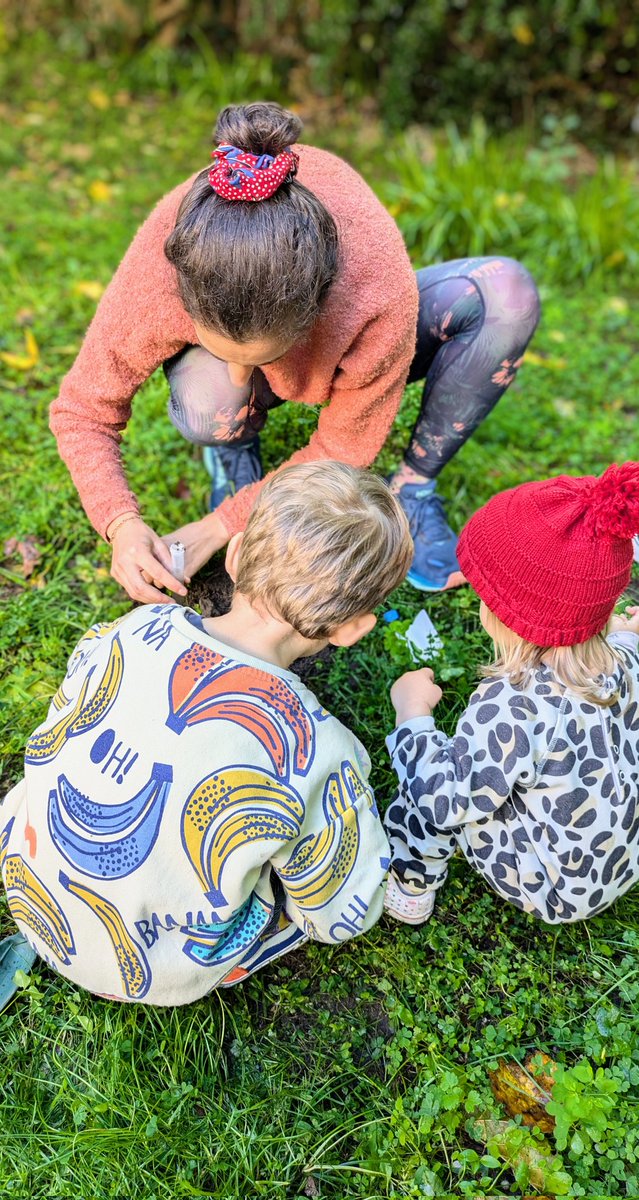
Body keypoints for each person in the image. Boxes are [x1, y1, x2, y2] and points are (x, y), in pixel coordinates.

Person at [50, 101, 540, 604]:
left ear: (315, 315)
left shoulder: (371, 290)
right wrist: (120, 523)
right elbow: (83, 409)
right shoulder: (166, 262)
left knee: (506, 294)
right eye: (223, 351)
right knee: (214, 397)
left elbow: (344, 453)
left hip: (349, 312)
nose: (240, 377)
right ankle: (231, 447)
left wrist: (219, 526)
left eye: (258, 357)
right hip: (250, 309)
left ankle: (412, 488)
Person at [0, 462, 412, 1005]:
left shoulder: (132, 629)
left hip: (27, 885)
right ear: (353, 628)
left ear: (235, 555)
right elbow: (338, 912)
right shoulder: (319, 751)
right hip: (153, 969)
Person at [382, 461, 639, 926]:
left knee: (434, 784)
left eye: (487, 594)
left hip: (551, 885)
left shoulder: (512, 705)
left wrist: (413, 716)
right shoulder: (622, 663)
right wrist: (626, 635)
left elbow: (446, 797)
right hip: (618, 861)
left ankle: (411, 883)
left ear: (508, 614)